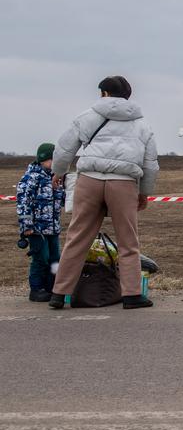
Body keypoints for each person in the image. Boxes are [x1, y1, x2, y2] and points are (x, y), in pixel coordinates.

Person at [49, 76, 159, 309]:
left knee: (77, 237)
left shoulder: (88, 115)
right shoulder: (142, 124)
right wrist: (144, 192)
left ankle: (59, 293)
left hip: (89, 179)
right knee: (128, 241)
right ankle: (131, 295)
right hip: (124, 182)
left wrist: (58, 171)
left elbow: (65, 146)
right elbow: (150, 163)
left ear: (105, 93)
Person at [16, 143, 66, 302]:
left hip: (53, 228)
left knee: (54, 258)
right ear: (43, 159)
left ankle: (52, 287)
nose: (54, 163)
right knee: (40, 258)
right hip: (36, 229)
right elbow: (24, 203)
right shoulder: (31, 178)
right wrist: (27, 226)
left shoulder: (56, 178)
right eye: (52, 160)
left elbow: (62, 201)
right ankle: (36, 289)